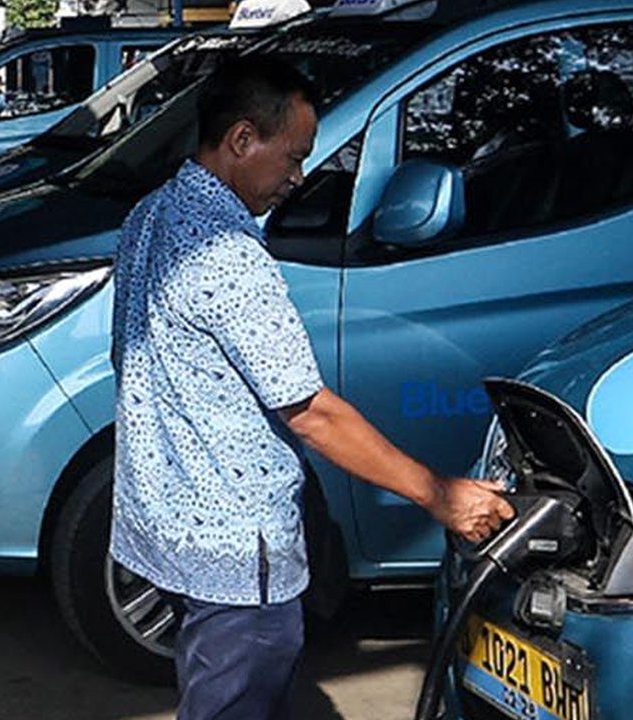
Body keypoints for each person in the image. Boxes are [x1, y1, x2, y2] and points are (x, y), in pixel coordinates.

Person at [109, 57, 515, 720]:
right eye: (293, 156)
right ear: (241, 140)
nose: (298, 177)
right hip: (238, 558)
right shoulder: (228, 255)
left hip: (168, 528)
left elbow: (130, 360)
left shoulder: (150, 215)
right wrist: (440, 495)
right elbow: (312, 414)